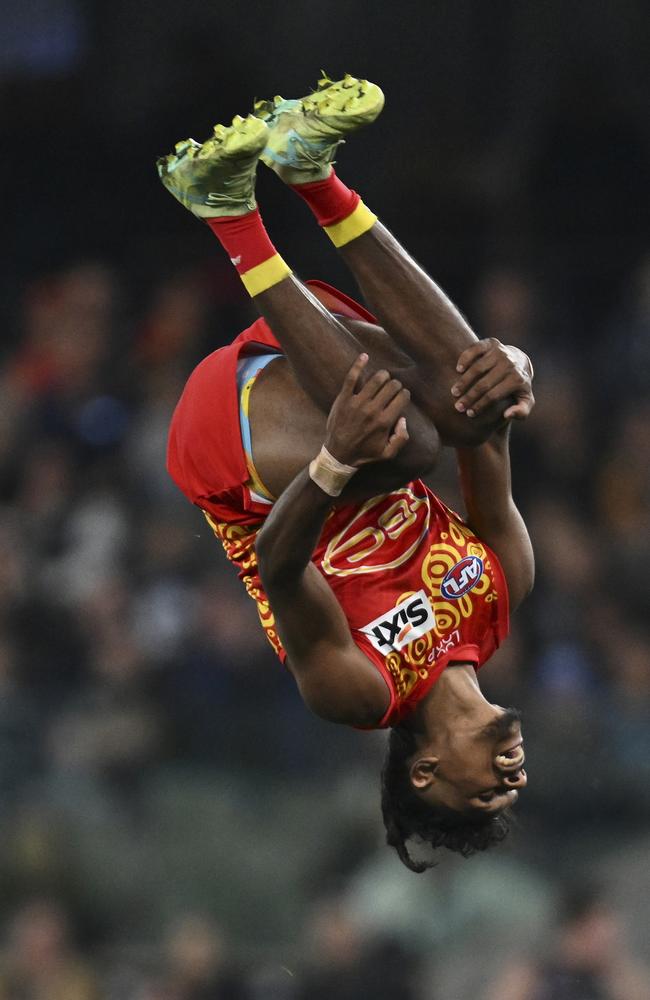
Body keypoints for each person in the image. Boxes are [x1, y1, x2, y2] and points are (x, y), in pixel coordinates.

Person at [158, 75, 535, 871]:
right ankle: (310, 171)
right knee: (463, 414)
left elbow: (279, 564)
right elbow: (487, 429)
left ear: (426, 772)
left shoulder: (361, 696)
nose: (515, 776)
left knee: (408, 448)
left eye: (488, 792)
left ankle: (228, 213)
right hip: (338, 399)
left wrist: (337, 461)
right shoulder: (504, 593)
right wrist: (515, 367)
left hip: (247, 471)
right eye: (515, 790)